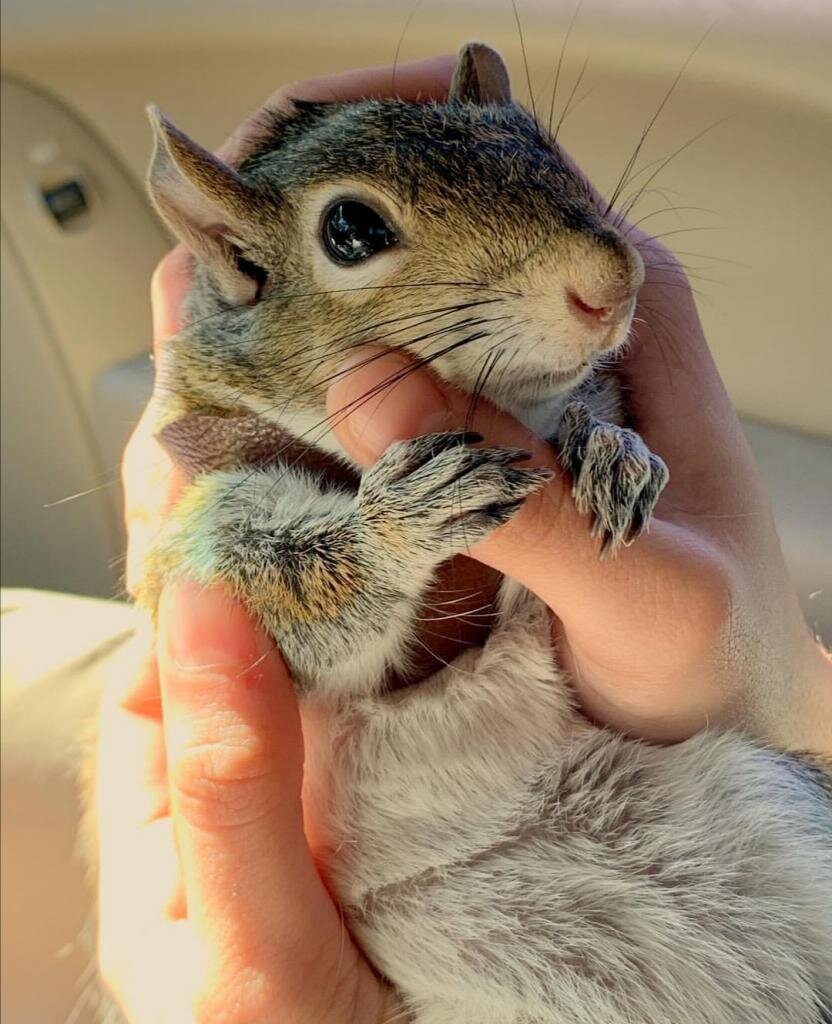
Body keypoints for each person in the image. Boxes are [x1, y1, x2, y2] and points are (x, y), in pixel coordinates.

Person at [97, 54, 832, 1024]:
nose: (608, 279)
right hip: (460, 929)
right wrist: (376, 544)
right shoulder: (235, 481)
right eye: (356, 232)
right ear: (239, 255)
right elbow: (297, 630)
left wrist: (605, 455)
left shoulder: (566, 404)